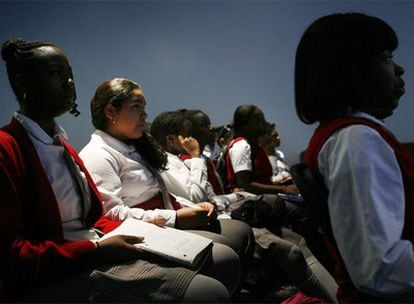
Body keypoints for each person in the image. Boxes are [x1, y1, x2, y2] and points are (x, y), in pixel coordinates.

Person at [0, 38, 237, 303]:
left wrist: (153, 233)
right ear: (23, 84)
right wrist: (97, 250)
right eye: (56, 74)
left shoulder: (64, 148)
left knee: (225, 259)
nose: (70, 83)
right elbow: (10, 252)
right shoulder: (7, 149)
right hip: (64, 267)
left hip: (99, 243)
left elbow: (95, 219)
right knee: (210, 292)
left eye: (71, 75)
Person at [79, 77, 244, 298]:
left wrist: (189, 206)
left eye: (144, 107)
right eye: (136, 107)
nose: (145, 114)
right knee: (225, 254)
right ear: (111, 112)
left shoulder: (136, 148)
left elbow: (164, 193)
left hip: (159, 221)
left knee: (237, 238)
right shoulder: (97, 154)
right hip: (139, 231)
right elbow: (110, 215)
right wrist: (174, 218)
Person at [150, 110, 338, 302]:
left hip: (223, 211)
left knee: (298, 242)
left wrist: (236, 195)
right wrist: (196, 156)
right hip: (214, 219)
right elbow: (198, 198)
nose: (194, 139)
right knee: (292, 252)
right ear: (171, 140)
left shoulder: (183, 161)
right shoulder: (167, 165)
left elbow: (211, 197)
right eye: (188, 133)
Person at [295, 13, 414, 302]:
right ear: (350, 71)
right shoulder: (356, 140)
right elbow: (379, 269)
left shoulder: (351, 135)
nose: (399, 70)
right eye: (386, 58)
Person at [224, 104, 299, 195]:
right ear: (245, 126)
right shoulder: (241, 145)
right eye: (259, 121)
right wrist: (282, 189)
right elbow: (245, 185)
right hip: (251, 201)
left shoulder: (254, 146)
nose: (264, 124)